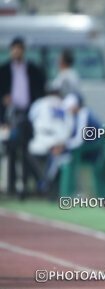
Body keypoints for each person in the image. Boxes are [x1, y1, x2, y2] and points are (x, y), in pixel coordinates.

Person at [0, 37, 46, 197]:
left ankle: (26, 185)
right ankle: (11, 185)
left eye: (19, 49)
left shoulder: (33, 70)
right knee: (11, 149)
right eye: (14, 49)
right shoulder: (4, 70)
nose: (17, 52)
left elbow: (40, 91)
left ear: (23, 50)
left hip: (29, 114)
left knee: (27, 150)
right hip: (10, 115)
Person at [56, 93, 105, 198]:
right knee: (66, 159)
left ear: (75, 106)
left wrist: (65, 146)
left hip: (96, 149)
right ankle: (70, 192)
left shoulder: (84, 114)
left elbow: (79, 140)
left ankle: (76, 192)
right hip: (85, 149)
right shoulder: (72, 116)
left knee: (71, 157)